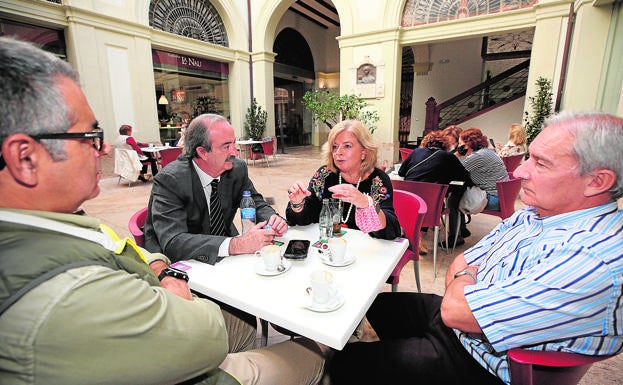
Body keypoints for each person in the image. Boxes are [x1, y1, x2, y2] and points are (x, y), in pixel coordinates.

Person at [0, 37, 324, 385]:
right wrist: (222, 253)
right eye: (91, 136)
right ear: (26, 158)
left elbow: (253, 199)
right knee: (316, 351)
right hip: (195, 294)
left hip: (191, 287)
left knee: (248, 320)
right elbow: (172, 244)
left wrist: (265, 217)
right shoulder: (169, 181)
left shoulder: (66, 222)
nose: (105, 147)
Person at [328, 110, 623, 385]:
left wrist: (465, 279)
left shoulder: (592, 257)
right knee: (370, 306)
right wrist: (467, 278)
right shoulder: (534, 214)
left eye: (541, 163)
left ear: (597, 181)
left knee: (348, 363)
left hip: (483, 361)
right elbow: (461, 262)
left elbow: (457, 307)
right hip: (465, 321)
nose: (519, 173)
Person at [144, 113, 289, 263]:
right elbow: (174, 242)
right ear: (202, 152)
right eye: (226, 146)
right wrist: (236, 245)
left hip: (225, 251)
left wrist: (273, 219)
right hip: (186, 262)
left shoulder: (236, 169)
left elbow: (256, 202)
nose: (235, 151)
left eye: (234, 143)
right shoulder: (170, 180)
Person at [286, 120, 400, 240]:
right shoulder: (324, 174)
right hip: (329, 248)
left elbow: (391, 228)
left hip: (364, 251)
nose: (338, 152)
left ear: (363, 152)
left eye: (347, 146)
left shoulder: (378, 180)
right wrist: (298, 203)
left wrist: (368, 204)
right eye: (335, 147)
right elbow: (306, 217)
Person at [398, 131, 472, 251]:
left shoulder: (416, 152)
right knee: (436, 199)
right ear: (446, 145)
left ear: (425, 142)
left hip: (407, 204)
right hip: (431, 208)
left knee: (421, 196)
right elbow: (465, 177)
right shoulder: (448, 157)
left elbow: (401, 172)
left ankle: (415, 235)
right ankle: (423, 234)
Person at [453, 127, 508, 245]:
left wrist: (457, 153)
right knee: (459, 192)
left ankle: (456, 236)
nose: (459, 146)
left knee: (453, 200)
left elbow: (455, 170)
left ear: (468, 144)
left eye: (461, 144)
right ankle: (461, 230)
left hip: (494, 199)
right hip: (503, 196)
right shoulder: (487, 152)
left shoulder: (478, 156)